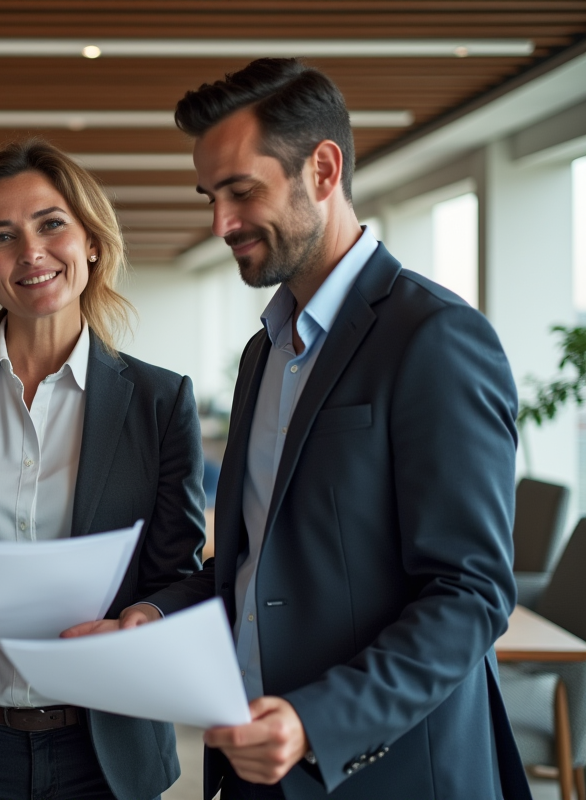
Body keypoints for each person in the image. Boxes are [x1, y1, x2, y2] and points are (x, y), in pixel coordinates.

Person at [64, 59, 531, 800]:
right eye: (211, 197)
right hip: (255, 768)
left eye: (242, 191)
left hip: (391, 771)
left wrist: (316, 721)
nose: (220, 223)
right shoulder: (266, 352)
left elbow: (468, 594)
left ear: (323, 168)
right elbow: (255, 575)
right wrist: (148, 619)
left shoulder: (436, 337)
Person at [0, 140, 209, 800]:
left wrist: (139, 620)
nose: (30, 252)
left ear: (90, 241)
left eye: (51, 224)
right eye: (3, 237)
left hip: (106, 752)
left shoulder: (160, 401)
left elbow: (181, 573)